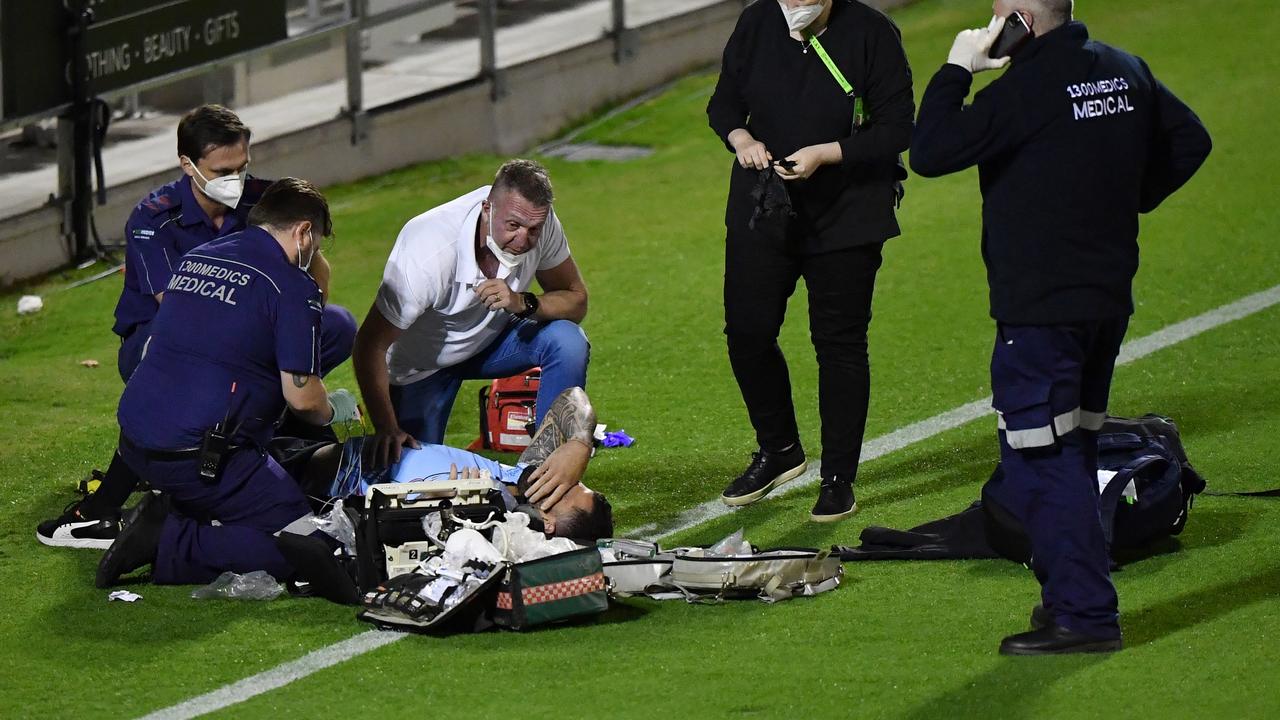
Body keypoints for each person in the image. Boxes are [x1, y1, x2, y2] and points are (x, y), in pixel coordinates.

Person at [910, 0, 1211, 654]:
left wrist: (958, 68)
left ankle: (1085, 615)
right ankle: (1064, 601)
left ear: (1020, 18)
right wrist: (1117, 200)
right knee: (1069, 451)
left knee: (1041, 463)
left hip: (1041, 310)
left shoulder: (1023, 90)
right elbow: (1191, 141)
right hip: (1106, 299)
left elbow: (930, 150)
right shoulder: (1123, 68)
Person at [36, 106, 356, 549]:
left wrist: (301, 321)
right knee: (207, 372)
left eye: (243, 167)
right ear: (188, 165)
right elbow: (186, 313)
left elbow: (313, 266)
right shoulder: (153, 218)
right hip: (163, 334)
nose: (237, 179)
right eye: (224, 170)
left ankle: (262, 440)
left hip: (236, 330)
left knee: (336, 325)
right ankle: (108, 504)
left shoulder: (264, 202)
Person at [95, 178, 363, 589]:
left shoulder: (198, 256)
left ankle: (177, 511)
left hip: (135, 441)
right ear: (304, 232)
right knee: (306, 543)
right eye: (318, 243)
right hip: (198, 457)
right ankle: (170, 539)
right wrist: (337, 408)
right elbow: (304, 400)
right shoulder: (290, 284)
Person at [706, 0, 914, 521]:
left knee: (839, 344)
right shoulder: (757, 22)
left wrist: (827, 153)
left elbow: (896, 128)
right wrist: (742, 138)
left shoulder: (872, 33)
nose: (794, 5)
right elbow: (723, 105)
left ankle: (838, 477)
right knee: (748, 331)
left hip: (848, 215)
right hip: (764, 208)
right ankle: (779, 449)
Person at [352, 159, 590, 478]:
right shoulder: (427, 250)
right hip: (421, 368)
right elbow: (370, 345)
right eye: (513, 226)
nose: (523, 240)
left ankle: (542, 477)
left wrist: (523, 301)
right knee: (409, 478)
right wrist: (386, 426)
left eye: (533, 229)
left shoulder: (538, 222)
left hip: (492, 344)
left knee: (567, 341)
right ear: (487, 208)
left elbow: (576, 299)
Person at [294, 387, 612, 540]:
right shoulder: (528, 478)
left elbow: (386, 531)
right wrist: (579, 443)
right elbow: (571, 399)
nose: (567, 478)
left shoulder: (484, 529)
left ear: (546, 521)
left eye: (568, 490)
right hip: (330, 447)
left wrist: (455, 504)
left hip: (323, 483)